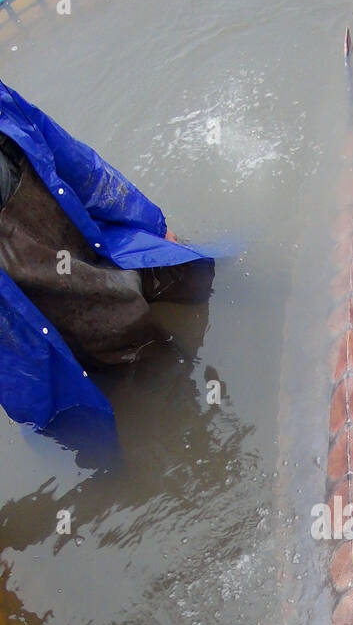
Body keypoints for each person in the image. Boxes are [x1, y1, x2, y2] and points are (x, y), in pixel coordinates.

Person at [0, 77, 214, 430]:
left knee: (178, 281)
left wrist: (150, 220)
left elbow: (68, 157)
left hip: (73, 248)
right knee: (86, 408)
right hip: (21, 325)